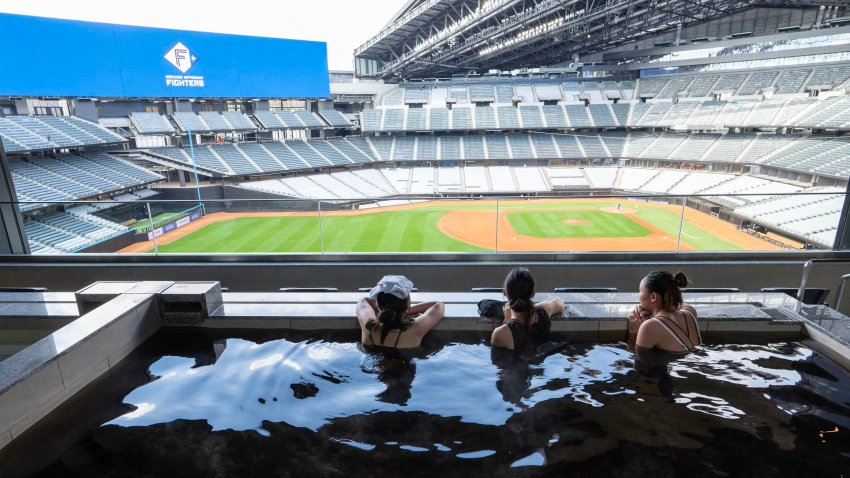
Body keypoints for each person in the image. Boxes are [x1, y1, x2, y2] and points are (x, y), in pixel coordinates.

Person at [627, 271, 701, 376]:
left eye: (640, 291)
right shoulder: (690, 313)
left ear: (653, 297)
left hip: (669, 376)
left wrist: (633, 331)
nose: (638, 297)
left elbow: (640, 365)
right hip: (693, 366)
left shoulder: (650, 326)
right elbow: (682, 305)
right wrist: (654, 308)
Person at [356, 275, 444, 349]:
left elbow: (364, 300)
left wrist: (383, 312)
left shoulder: (369, 326)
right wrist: (405, 311)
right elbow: (438, 305)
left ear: (379, 304)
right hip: (403, 367)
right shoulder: (415, 328)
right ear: (406, 305)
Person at [491, 268, 565, 356]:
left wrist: (506, 322)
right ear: (533, 293)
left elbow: (501, 367)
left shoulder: (500, 333)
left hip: (517, 368)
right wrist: (538, 306)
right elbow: (559, 302)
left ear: (504, 293)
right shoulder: (542, 313)